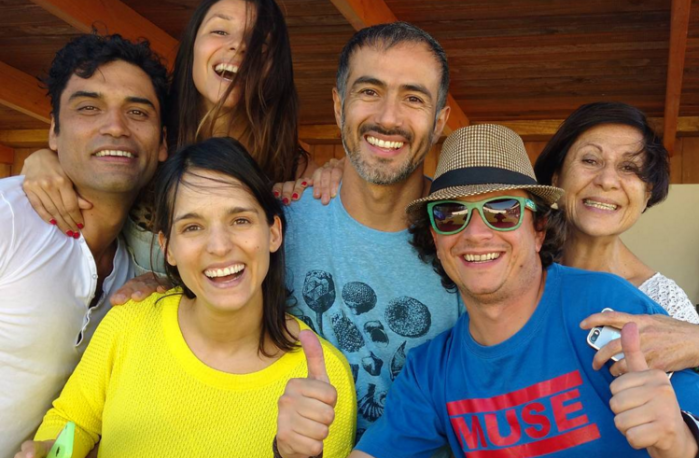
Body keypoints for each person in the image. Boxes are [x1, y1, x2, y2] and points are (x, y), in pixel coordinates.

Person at [292, 124, 699, 458]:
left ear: (538, 229)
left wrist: (678, 444)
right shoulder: (430, 371)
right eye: (451, 214)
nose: (476, 234)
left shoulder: (604, 304)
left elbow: (679, 422)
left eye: (502, 211)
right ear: (435, 237)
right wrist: (294, 452)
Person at [14, 138, 356, 458]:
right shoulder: (129, 323)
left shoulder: (323, 380)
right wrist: (48, 449)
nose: (219, 246)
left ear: (273, 233)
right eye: (192, 227)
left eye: (240, 220)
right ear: (168, 248)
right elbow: (73, 420)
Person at [19, 0, 336, 280]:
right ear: (193, 46)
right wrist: (43, 160)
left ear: (274, 67)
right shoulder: (149, 134)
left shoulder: (292, 166)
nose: (239, 46)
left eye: (258, 42)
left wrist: (340, 174)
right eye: (220, 31)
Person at [276, 22, 462, 454]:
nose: (388, 118)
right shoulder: (277, 225)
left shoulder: (467, 244)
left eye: (413, 98)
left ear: (439, 121)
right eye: (369, 91)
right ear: (339, 106)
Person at [0, 33, 168, 456]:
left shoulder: (132, 275)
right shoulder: (8, 218)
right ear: (54, 132)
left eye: (137, 112)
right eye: (89, 108)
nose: (115, 127)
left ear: (163, 143)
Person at [534, 102, 699, 375]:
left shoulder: (663, 302)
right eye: (590, 160)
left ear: (647, 194)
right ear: (556, 177)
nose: (607, 180)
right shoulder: (517, 270)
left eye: (629, 167)